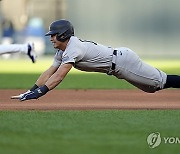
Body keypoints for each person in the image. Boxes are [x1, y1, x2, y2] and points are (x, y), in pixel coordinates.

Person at [11, 19, 180, 101]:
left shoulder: (73, 48)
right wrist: (31, 89)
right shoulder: (64, 49)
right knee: (151, 89)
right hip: (118, 64)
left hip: (123, 62)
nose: (51, 39)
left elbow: (59, 76)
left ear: (63, 34)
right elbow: (50, 71)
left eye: (53, 35)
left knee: (161, 81)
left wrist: (39, 93)